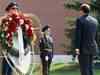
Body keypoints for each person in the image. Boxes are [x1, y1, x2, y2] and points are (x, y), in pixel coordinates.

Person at [0, 2, 33, 75]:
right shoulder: (5, 21)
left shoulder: (22, 22)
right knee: (6, 71)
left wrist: (26, 28)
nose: (15, 10)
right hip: (9, 51)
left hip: (19, 51)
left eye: (17, 9)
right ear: (8, 11)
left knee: (14, 71)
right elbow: (3, 36)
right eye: (13, 8)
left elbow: (27, 37)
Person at [75, 4, 98, 75]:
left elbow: (78, 35)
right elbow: (96, 36)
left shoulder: (80, 20)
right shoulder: (95, 21)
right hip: (92, 48)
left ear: (82, 11)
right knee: (90, 69)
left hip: (83, 49)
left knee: (84, 69)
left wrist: (77, 48)